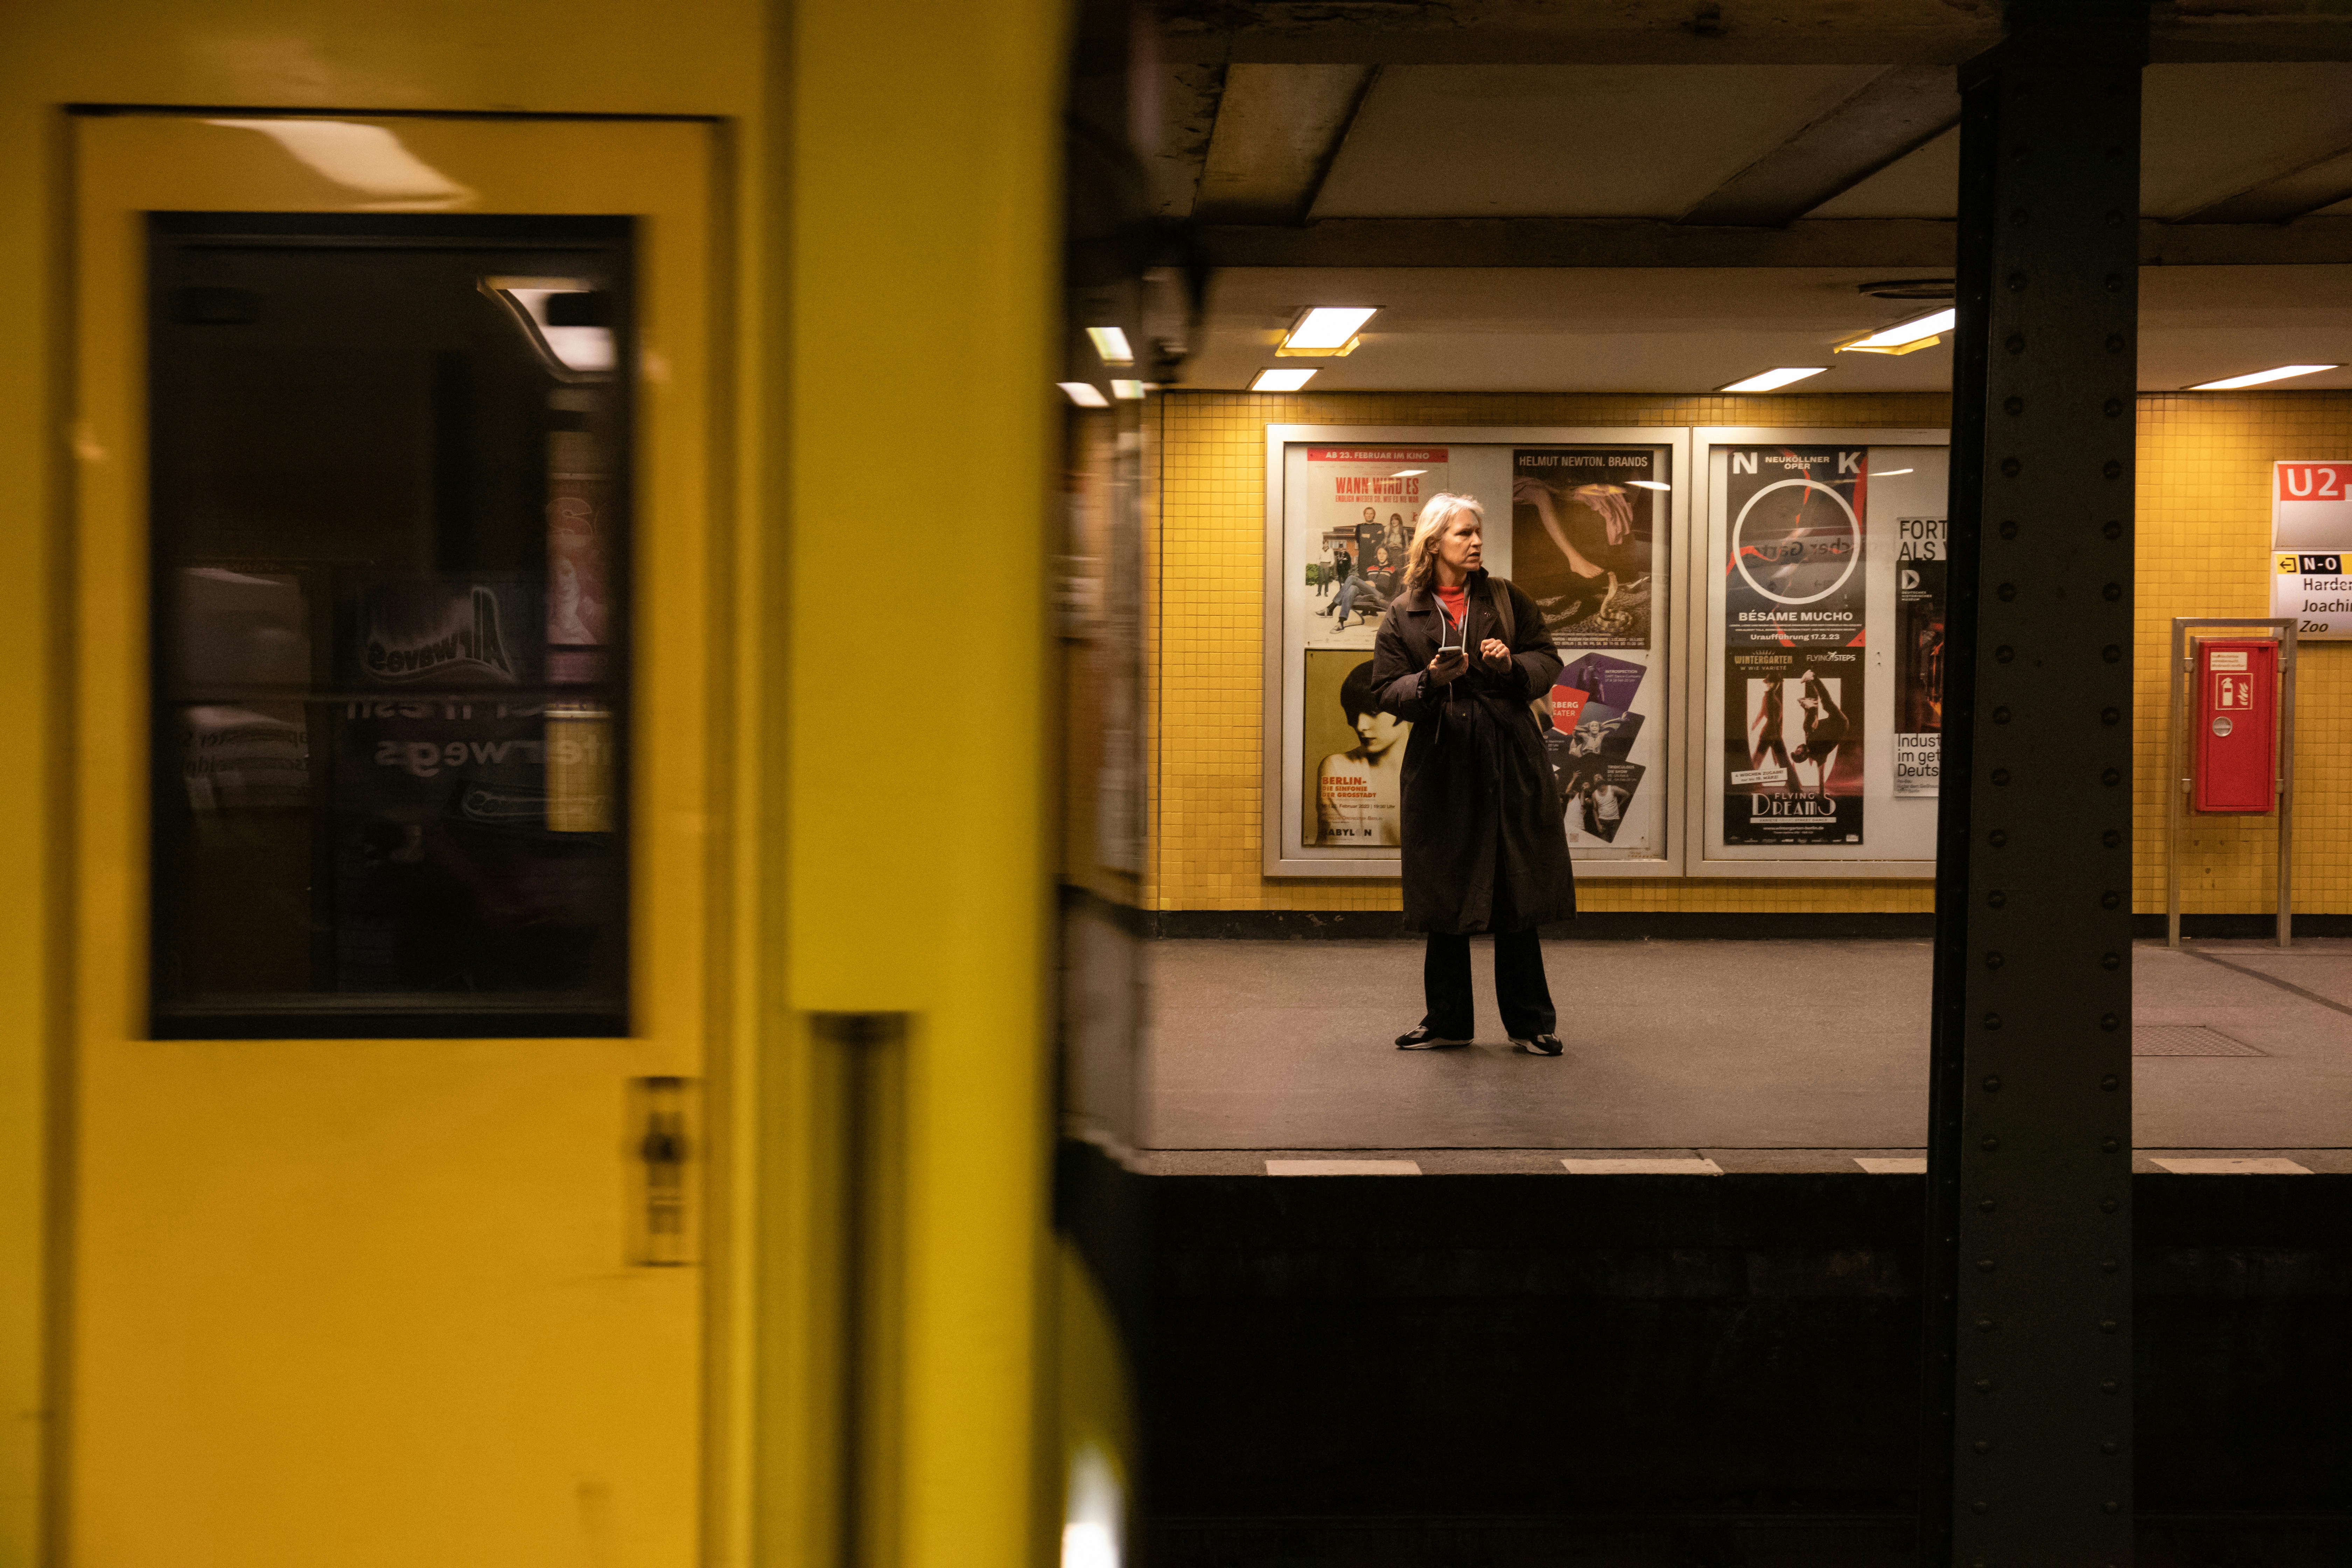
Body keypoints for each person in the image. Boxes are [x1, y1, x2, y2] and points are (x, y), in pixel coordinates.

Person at [1370, 492, 1575, 1056]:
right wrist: (1431, 680)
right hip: (1442, 763)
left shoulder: (1508, 599)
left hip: (1510, 758)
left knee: (1515, 891)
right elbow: (1386, 688)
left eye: (1477, 532)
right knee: (1446, 894)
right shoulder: (1403, 613)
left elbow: (1548, 659)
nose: (1476, 541)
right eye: (1464, 533)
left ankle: (1531, 1023)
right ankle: (1448, 1021)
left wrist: (1511, 664)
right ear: (1434, 543)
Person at [1314, 660, 1407, 845]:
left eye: (1372, 712)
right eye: (1353, 714)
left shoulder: (1437, 769)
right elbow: (1344, 858)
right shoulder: (1339, 768)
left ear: (1403, 706)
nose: (1360, 726)